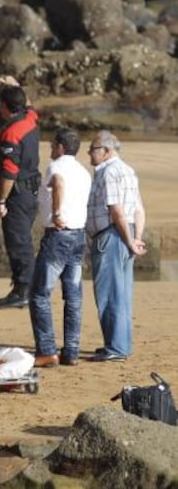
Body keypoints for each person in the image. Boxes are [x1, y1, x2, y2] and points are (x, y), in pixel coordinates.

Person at [29, 128, 91, 368]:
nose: (50, 149)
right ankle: (71, 350)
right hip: (78, 235)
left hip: (58, 235)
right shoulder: (84, 172)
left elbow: (58, 183)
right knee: (73, 296)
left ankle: (46, 351)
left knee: (39, 294)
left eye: (53, 145)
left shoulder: (56, 168)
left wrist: (56, 213)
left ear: (61, 147)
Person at [86, 130, 146, 362]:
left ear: (107, 151)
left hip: (112, 235)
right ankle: (120, 344)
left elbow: (116, 210)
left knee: (110, 293)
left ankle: (116, 348)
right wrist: (136, 237)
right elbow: (139, 208)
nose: (90, 153)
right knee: (122, 293)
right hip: (126, 232)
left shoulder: (109, 172)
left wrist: (130, 240)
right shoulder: (128, 170)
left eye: (93, 149)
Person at [0, 85, 41, 308]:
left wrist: (2, 199)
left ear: (4, 105)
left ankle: (24, 290)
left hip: (18, 193)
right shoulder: (30, 118)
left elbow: (10, 171)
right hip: (31, 190)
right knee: (22, 240)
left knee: (19, 242)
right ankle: (24, 287)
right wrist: (16, 85)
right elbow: (30, 106)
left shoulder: (12, 132)